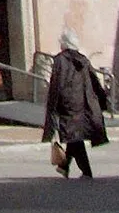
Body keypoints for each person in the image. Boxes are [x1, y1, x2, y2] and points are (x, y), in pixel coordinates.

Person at [41, 29, 109, 179]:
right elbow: (95, 81)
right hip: (85, 104)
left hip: (68, 105)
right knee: (74, 136)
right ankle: (64, 166)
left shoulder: (60, 60)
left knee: (74, 137)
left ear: (64, 44)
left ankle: (86, 172)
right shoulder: (84, 60)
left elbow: (56, 84)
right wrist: (103, 101)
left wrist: (52, 107)